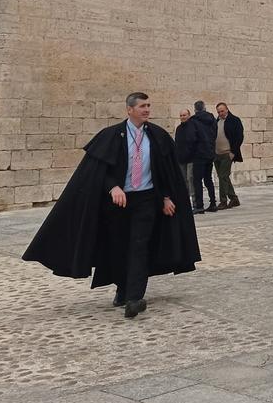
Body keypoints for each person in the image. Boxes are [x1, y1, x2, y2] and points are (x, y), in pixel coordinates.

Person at [23, 92, 200, 318]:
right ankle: (123, 289)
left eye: (148, 106)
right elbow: (100, 171)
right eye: (142, 106)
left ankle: (135, 297)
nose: (147, 110)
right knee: (119, 247)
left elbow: (166, 171)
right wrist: (113, 187)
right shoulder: (111, 136)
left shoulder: (157, 136)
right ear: (129, 109)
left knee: (139, 245)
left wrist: (166, 197)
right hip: (118, 203)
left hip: (146, 200)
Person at [214, 102, 243, 209]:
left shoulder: (234, 120)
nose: (220, 113)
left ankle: (223, 201)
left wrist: (233, 152)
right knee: (224, 177)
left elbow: (239, 137)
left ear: (227, 109)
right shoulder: (216, 121)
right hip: (217, 154)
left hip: (227, 154)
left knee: (222, 176)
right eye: (218, 111)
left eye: (222, 111)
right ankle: (234, 199)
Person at [191, 100, 218, 214]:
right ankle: (213, 203)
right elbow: (215, 134)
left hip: (199, 154)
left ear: (195, 109)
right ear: (205, 108)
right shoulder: (212, 119)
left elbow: (193, 138)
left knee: (197, 180)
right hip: (210, 152)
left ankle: (199, 206)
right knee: (208, 179)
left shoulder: (193, 121)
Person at [174, 108, 199, 207]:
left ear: (189, 115)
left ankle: (195, 202)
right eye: (181, 115)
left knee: (190, 179)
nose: (182, 117)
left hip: (191, 159)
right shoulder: (179, 128)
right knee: (183, 181)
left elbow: (195, 142)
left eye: (184, 115)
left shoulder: (193, 126)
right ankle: (185, 203)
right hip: (181, 159)